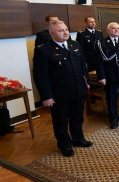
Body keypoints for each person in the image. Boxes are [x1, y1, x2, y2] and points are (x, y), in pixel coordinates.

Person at [33, 20, 92, 157]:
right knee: (61, 120)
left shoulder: (74, 45)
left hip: (77, 89)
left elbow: (82, 66)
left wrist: (86, 82)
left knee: (78, 117)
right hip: (59, 93)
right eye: (60, 30)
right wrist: (46, 96)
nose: (65, 32)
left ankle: (78, 139)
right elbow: (41, 75)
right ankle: (64, 144)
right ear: (51, 33)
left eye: (66, 29)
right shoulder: (43, 50)